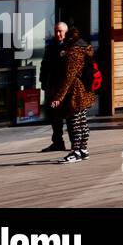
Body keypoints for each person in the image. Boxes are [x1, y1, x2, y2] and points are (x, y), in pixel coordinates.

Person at [49, 26, 96, 164]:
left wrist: (59, 97)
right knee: (82, 121)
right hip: (86, 90)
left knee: (74, 121)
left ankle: (75, 151)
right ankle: (83, 150)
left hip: (76, 92)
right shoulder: (86, 49)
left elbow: (69, 77)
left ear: (69, 39)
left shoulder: (74, 53)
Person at [39, 22, 68, 152]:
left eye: (60, 31)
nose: (58, 34)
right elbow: (44, 66)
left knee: (69, 116)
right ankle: (57, 142)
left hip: (65, 88)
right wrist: (43, 82)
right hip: (53, 87)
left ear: (65, 32)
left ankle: (76, 145)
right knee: (54, 117)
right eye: (56, 31)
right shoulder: (51, 47)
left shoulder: (69, 48)